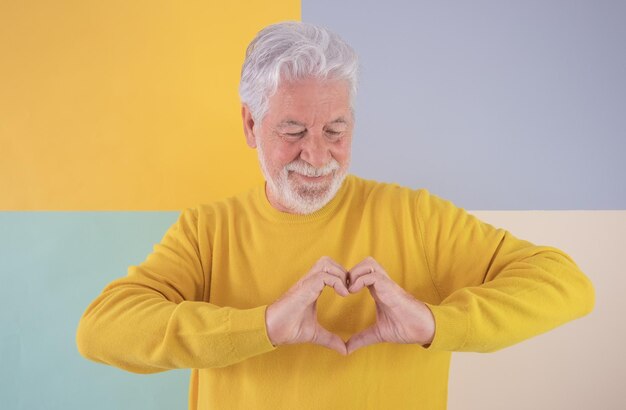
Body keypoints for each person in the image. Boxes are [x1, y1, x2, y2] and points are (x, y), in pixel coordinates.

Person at [76, 21, 595, 409]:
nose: (318, 156)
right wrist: (265, 326)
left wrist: (435, 322)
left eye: (336, 131)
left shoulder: (414, 216)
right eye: (294, 131)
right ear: (251, 125)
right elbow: (101, 330)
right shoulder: (208, 231)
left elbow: (566, 283)